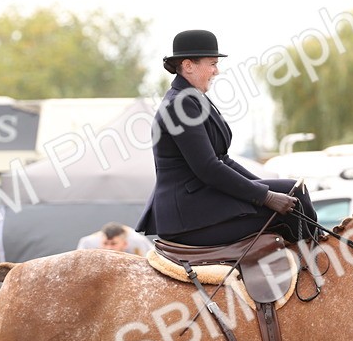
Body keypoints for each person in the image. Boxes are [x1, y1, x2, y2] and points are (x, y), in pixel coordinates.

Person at [136, 29, 320, 246]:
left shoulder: (195, 98)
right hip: (188, 215)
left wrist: (262, 187)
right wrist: (266, 196)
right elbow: (208, 168)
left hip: (202, 202)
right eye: (212, 64)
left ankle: (317, 255)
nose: (217, 71)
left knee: (295, 190)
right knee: (294, 206)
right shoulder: (180, 104)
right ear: (188, 65)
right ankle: (320, 262)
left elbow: (223, 160)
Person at [77, 222, 154, 256]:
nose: (108, 248)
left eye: (113, 244)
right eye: (105, 243)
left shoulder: (139, 243)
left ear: (125, 244)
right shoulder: (88, 244)